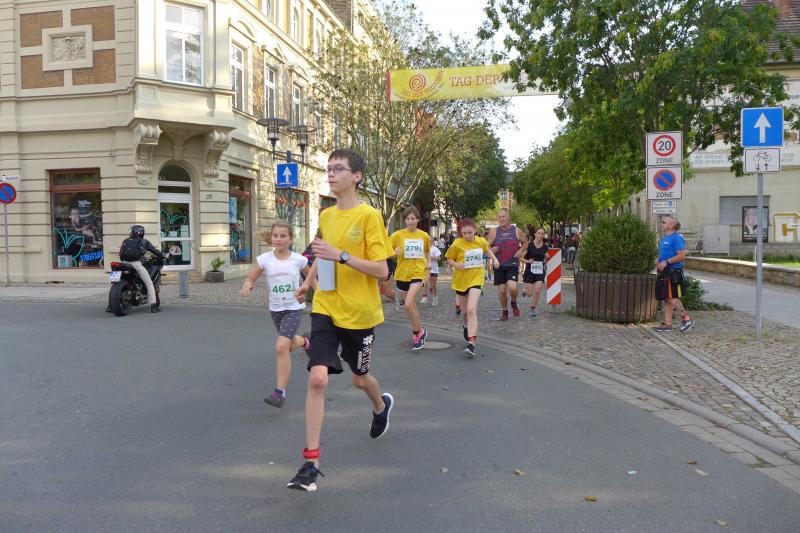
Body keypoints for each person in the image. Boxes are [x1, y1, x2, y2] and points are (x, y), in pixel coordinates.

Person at [288, 149, 394, 492]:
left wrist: (342, 256)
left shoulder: (369, 216)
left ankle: (380, 405)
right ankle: (310, 463)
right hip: (327, 306)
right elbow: (322, 253)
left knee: (360, 379)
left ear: (357, 176)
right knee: (317, 378)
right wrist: (307, 283)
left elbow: (382, 270)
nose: (331, 174)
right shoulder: (327, 215)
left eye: (339, 169)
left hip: (360, 314)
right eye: (329, 169)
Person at [240, 221, 311, 408]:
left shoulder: (298, 260)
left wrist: (318, 296)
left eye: (283, 236)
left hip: (294, 308)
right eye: (275, 235)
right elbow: (251, 277)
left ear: (290, 239)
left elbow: (310, 278)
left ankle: (279, 393)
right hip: (276, 309)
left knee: (281, 347)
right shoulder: (265, 259)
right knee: (287, 345)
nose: (279, 239)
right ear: (271, 238)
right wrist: (248, 284)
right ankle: (306, 342)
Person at [446, 218, 500, 358]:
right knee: (465, 313)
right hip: (461, 280)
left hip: (476, 278)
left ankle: (471, 344)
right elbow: (449, 258)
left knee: (471, 310)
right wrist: (456, 265)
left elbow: (487, 251)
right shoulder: (457, 244)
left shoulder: (480, 241)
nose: (468, 235)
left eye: (470, 232)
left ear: (475, 230)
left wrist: (495, 260)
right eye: (464, 233)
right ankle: (465, 325)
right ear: (461, 233)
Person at [390, 206, 431, 350]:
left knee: (407, 304)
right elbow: (385, 251)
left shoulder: (424, 236)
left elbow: (427, 251)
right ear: (404, 221)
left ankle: (416, 333)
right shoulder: (397, 235)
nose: (410, 221)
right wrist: (393, 252)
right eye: (408, 219)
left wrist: (428, 262)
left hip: (418, 272)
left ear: (418, 220)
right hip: (402, 274)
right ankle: (421, 331)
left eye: (413, 218)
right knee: (411, 306)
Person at [654, 216, 694, 333]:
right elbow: (666, 255)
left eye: (664, 222)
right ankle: (668, 324)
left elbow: (681, 256)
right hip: (665, 272)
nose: (661, 224)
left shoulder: (677, 238)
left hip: (673, 272)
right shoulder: (665, 238)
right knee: (667, 297)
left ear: (671, 225)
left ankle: (687, 319)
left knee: (671, 297)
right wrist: (658, 260)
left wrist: (666, 262)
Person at [487, 209, 527, 320]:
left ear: (508, 217)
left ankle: (513, 302)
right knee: (502, 290)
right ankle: (505, 311)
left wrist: (521, 251)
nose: (501, 219)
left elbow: (525, 243)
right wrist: (492, 250)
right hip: (498, 264)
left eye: (503, 216)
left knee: (512, 287)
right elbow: (486, 247)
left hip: (512, 264)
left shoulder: (517, 231)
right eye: (499, 217)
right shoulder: (494, 231)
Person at [119, 225, 164, 313]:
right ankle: (154, 306)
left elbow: (121, 254)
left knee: (117, 282)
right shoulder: (144, 242)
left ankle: (110, 306)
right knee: (149, 283)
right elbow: (154, 251)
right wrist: (162, 255)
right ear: (141, 233)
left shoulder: (126, 241)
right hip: (135, 264)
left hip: (123, 264)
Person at [522, 228, 548, 317]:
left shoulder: (545, 247)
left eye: (542, 234)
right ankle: (525, 289)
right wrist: (528, 261)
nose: (541, 235)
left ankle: (532, 309)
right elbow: (521, 258)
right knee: (529, 294)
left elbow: (544, 261)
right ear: (535, 234)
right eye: (539, 233)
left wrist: (546, 258)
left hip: (540, 271)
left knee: (538, 290)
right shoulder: (529, 245)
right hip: (529, 271)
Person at [421, 241, 441, 305]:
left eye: (430, 241)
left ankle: (435, 297)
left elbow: (439, 258)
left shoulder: (435, 249)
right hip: (425, 269)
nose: (428, 242)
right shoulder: (422, 248)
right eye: (427, 241)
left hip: (434, 269)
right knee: (425, 282)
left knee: (433, 286)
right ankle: (425, 296)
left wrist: (430, 257)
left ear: (432, 242)